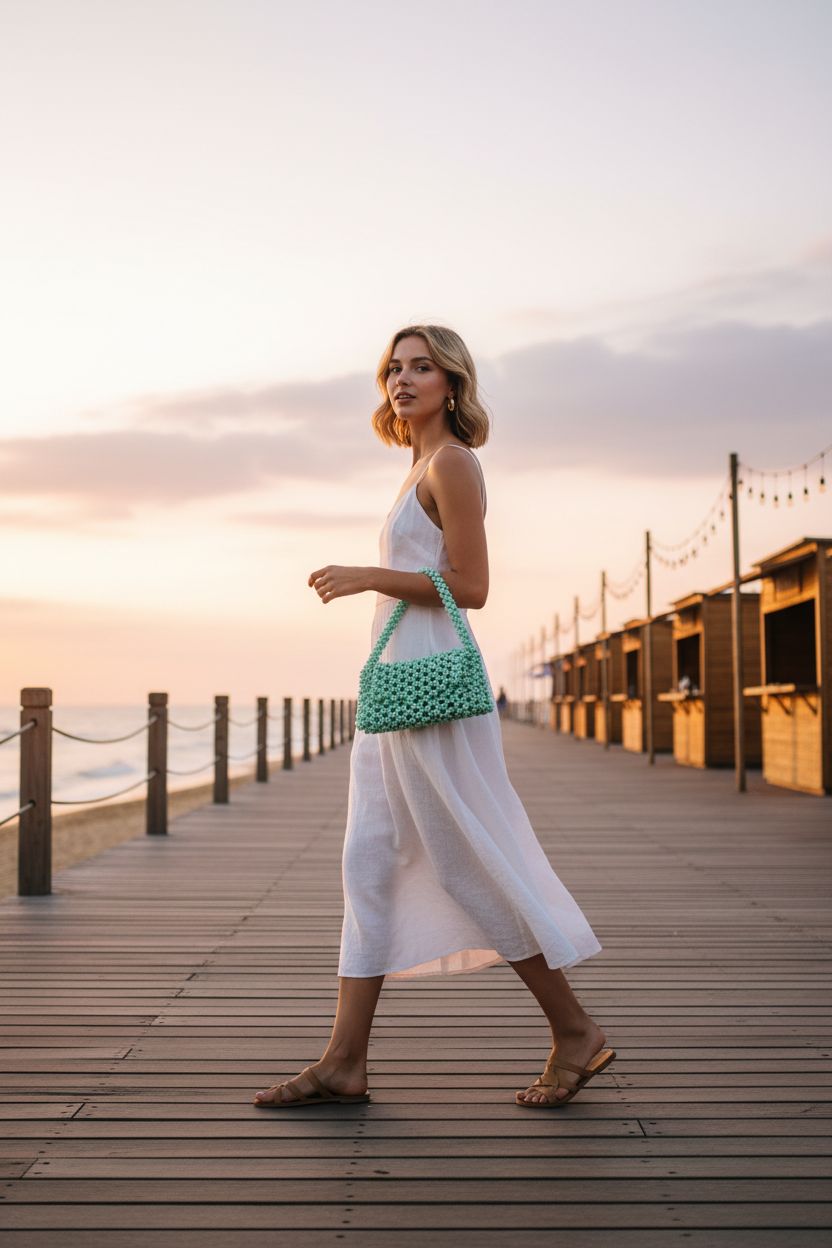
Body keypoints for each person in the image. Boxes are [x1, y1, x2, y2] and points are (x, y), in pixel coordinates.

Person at [254, 324, 614, 1110]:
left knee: (465, 857)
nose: (403, 380)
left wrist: (365, 575)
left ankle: (576, 1030)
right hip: (395, 688)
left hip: (430, 689)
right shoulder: (417, 465)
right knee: (369, 863)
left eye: (422, 368)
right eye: (394, 368)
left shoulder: (451, 462)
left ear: (453, 383)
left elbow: (472, 584)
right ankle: (344, 1061)